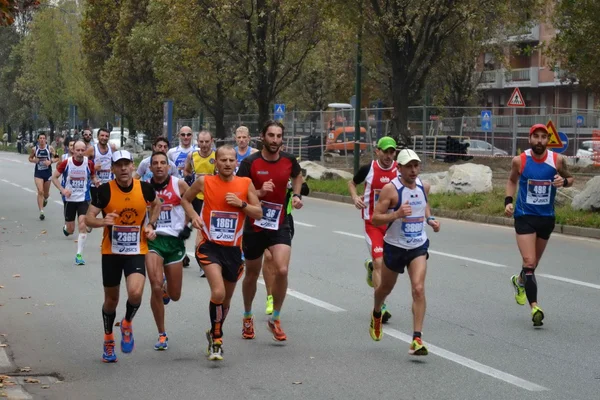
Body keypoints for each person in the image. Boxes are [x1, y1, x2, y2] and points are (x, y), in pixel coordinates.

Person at [181, 145, 262, 360]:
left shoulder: (245, 184)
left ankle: (214, 330)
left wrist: (242, 204)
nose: (227, 164)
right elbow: (185, 199)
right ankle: (217, 339)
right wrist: (194, 216)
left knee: (225, 301)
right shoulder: (204, 182)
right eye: (223, 160)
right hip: (209, 246)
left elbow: (259, 212)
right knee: (218, 292)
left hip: (234, 250)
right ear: (215, 163)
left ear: (236, 162)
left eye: (231, 160)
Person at [85, 150, 162, 363]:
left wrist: (150, 224)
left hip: (136, 250)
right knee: (111, 300)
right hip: (111, 252)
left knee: (135, 293)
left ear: (133, 166)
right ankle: (108, 338)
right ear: (112, 169)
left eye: (127, 164)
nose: (123, 168)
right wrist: (103, 222)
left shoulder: (145, 188)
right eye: (118, 165)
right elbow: (88, 219)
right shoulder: (104, 191)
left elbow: (157, 204)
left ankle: (127, 323)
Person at [236, 120, 303, 342]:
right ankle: (247, 315)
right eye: (271, 135)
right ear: (263, 137)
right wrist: (259, 192)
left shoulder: (289, 160)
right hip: (255, 224)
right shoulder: (250, 163)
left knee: (282, 270)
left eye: (278, 136)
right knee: (252, 274)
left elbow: (298, 175)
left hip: (279, 223)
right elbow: (239, 191)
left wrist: (296, 194)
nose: (275, 140)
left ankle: (275, 318)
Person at [370, 148, 440, 356]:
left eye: (416, 165)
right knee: (384, 289)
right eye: (408, 166)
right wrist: (398, 214)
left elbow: (424, 205)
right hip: (395, 246)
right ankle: (376, 313)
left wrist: (430, 219)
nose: (413, 170)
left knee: (418, 289)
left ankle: (417, 338)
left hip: (418, 245)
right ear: (398, 168)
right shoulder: (390, 190)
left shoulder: (423, 186)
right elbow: (375, 218)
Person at [505, 124, 573, 327]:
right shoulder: (520, 160)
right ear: (530, 139)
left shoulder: (557, 160)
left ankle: (519, 282)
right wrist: (508, 201)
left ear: (548, 141)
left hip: (546, 218)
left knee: (532, 265)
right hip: (524, 216)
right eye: (536, 137)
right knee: (528, 261)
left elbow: (571, 178)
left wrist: (564, 182)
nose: (540, 141)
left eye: (544, 137)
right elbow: (511, 181)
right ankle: (535, 307)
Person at [348, 136, 399, 323]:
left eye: (392, 151)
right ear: (377, 151)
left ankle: (371, 268)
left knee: (389, 266)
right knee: (380, 262)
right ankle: (382, 306)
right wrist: (355, 198)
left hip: (393, 224)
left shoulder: (399, 170)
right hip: (373, 224)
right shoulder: (368, 169)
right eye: (385, 151)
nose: (388, 155)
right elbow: (352, 183)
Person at [146, 151, 191, 350]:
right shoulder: (144, 188)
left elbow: (190, 204)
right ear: (150, 167)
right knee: (155, 284)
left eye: (163, 163)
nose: (159, 166)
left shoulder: (179, 184)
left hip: (174, 244)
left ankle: (166, 289)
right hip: (153, 242)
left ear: (168, 166)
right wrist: (145, 228)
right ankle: (162, 333)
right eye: (155, 163)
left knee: (175, 295)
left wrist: (187, 226)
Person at [262, 176, 309, 315]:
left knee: (280, 265)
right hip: (263, 218)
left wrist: (293, 190)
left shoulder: (288, 167)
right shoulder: (258, 164)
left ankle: (276, 295)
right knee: (268, 257)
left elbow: (305, 188)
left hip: (284, 220)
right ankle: (269, 296)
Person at [51, 141, 98, 265]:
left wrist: (96, 181)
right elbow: (54, 177)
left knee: (82, 226)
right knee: (71, 229)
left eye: (83, 150)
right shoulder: (67, 163)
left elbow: (92, 176)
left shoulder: (89, 163)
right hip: (69, 200)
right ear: (73, 151)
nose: (80, 153)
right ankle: (66, 228)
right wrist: (62, 190)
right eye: (78, 150)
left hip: (83, 199)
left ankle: (79, 255)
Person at [184, 130, 216, 273]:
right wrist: (190, 178)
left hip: (212, 197)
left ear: (212, 141)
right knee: (198, 228)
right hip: (196, 197)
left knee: (206, 230)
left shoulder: (216, 156)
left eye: (206, 142)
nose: (204, 145)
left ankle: (204, 260)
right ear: (197, 141)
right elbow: (186, 171)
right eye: (201, 142)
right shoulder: (192, 155)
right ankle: (199, 260)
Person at [28, 133, 58, 220]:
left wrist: (51, 161)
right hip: (38, 173)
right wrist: (34, 160)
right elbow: (30, 158)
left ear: (46, 140)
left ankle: (45, 199)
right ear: (38, 140)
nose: (42, 140)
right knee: (40, 191)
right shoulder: (34, 149)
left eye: (43, 138)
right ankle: (41, 211)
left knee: (46, 194)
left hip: (47, 173)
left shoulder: (50, 148)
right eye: (40, 138)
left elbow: (57, 157)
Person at [85, 128, 117, 204]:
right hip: (95, 185)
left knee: (108, 208)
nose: (104, 138)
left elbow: (118, 162)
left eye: (106, 136)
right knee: (95, 208)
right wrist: (93, 168)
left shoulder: (112, 148)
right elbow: (82, 165)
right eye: (102, 135)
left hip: (109, 184)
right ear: (98, 136)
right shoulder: (92, 149)